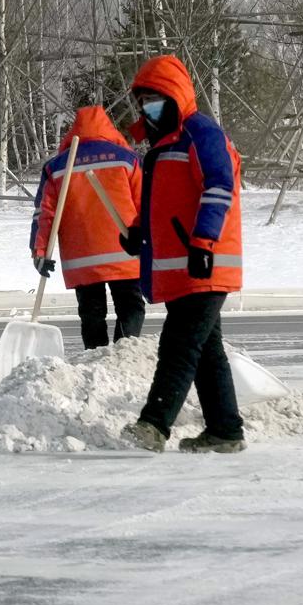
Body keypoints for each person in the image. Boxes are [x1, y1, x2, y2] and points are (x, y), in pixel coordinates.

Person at [117, 55, 247, 454]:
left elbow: (219, 187)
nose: (149, 110)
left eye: (155, 100)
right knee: (206, 351)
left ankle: (153, 425)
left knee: (178, 345)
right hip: (185, 267)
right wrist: (139, 231)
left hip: (204, 263)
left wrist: (204, 242)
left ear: (174, 97)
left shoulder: (200, 133)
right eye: (144, 103)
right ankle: (225, 431)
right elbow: (164, 203)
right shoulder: (164, 144)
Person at [29, 105, 144, 348]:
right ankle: (123, 358)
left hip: (81, 259)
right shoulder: (128, 159)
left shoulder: (56, 167)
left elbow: (45, 214)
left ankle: (95, 361)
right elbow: (146, 205)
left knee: (92, 314)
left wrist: (39, 252)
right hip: (126, 252)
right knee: (130, 307)